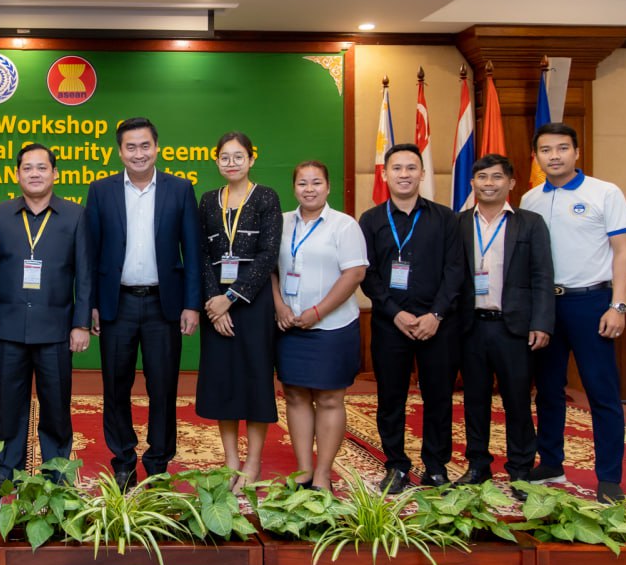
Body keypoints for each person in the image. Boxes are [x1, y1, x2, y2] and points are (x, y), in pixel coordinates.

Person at [85, 117, 201, 489]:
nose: (139, 153)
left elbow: (193, 252)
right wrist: (91, 304)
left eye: (145, 145)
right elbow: (90, 253)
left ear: (157, 147)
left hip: (163, 305)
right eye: (131, 147)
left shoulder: (179, 189)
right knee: (115, 385)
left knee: (163, 387)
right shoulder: (100, 191)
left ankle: (158, 463)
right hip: (116, 304)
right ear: (120, 152)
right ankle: (123, 460)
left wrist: (192, 304)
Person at [521, 122, 626, 504]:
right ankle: (551, 463)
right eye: (546, 150)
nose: (554, 156)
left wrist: (618, 305)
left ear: (576, 152)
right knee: (547, 390)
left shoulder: (605, 192)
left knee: (602, 392)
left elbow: (624, 251)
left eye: (562, 148)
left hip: (591, 303)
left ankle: (609, 478)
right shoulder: (530, 199)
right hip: (546, 306)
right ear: (536, 156)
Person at [0, 143, 93, 484]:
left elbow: (85, 274)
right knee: (9, 405)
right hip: (9, 327)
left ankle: (57, 471)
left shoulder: (75, 215)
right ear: (17, 174)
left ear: (55, 173)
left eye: (42, 167)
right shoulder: (1, 214)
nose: (34, 174)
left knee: (56, 405)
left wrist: (81, 324)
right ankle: (6, 469)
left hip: (56, 329)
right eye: (27, 168)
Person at [359, 143, 463, 493]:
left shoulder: (445, 218)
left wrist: (436, 314)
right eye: (397, 168)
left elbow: (455, 271)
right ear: (385, 174)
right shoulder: (371, 220)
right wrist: (396, 313)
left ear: (422, 173)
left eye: (411, 168)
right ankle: (396, 465)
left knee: (439, 398)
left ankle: (436, 467)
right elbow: (368, 274)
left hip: (438, 325)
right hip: (390, 325)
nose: (404, 174)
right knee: (391, 398)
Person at [454, 154, 553, 501]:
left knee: (517, 402)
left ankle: (521, 470)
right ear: (472, 183)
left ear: (511, 183)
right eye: (482, 177)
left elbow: (542, 276)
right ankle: (478, 465)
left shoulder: (530, 223)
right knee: (474, 400)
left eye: (497, 177)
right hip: (471, 327)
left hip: (514, 328)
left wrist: (542, 322)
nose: (489, 183)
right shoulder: (459, 223)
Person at [272, 160, 367, 491]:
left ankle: (323, 472)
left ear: (328, 187)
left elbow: (354, 273)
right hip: (289, 327)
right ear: (294, 188)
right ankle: (303, 468)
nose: (309, 189)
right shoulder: (281, 223)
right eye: (302, 183)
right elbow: (269, 270)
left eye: (316, 183)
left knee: (329, 398)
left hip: (332, 327)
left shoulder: (344, 225)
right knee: (295, 395)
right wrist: (279, 307)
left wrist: (318, 311)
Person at [196, 132, 282, 492]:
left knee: (256, 380)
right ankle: (230, 459)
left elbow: (268, 255)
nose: (231, 163)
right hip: (215, 305)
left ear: (251, 159)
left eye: (238, 156)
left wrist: (231, 297)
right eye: (225, 157)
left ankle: (253, 462)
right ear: (217, 161)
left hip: (252, 303)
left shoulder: (265, 197)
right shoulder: (207, 200)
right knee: (223, 382)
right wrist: (215, 305)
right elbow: (201, 255)